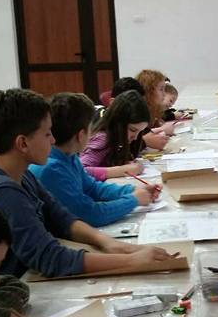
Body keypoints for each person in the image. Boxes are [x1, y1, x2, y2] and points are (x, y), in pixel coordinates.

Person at [0, 88, 171, 278]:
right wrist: (130, 261)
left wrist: (111, 244)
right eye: (47, 133)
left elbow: (62, 219)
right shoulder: (5, 193)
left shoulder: (23, 176)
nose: (53, 140)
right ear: (23, 143)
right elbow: (50, 258)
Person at [30, 92, 159, 227]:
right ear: (81, 135)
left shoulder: (69, 156)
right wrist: (133, 200)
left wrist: (132, 190)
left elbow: (93, 188)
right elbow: (91, 214)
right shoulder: (52, 169)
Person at [81, 90, 153, 182]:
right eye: (133, 130)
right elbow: (80, 172)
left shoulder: (116, 140)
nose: (135, 138)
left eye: (140, 132)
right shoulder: (103, 139)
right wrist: (122, 170)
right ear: (119, 123)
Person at [136, 68, 176, 149]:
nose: (164, 94)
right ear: (149, 91)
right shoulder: (138, 111)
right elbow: (136, 139)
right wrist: (163, 130)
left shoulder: (153, 109)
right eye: (161, 89)